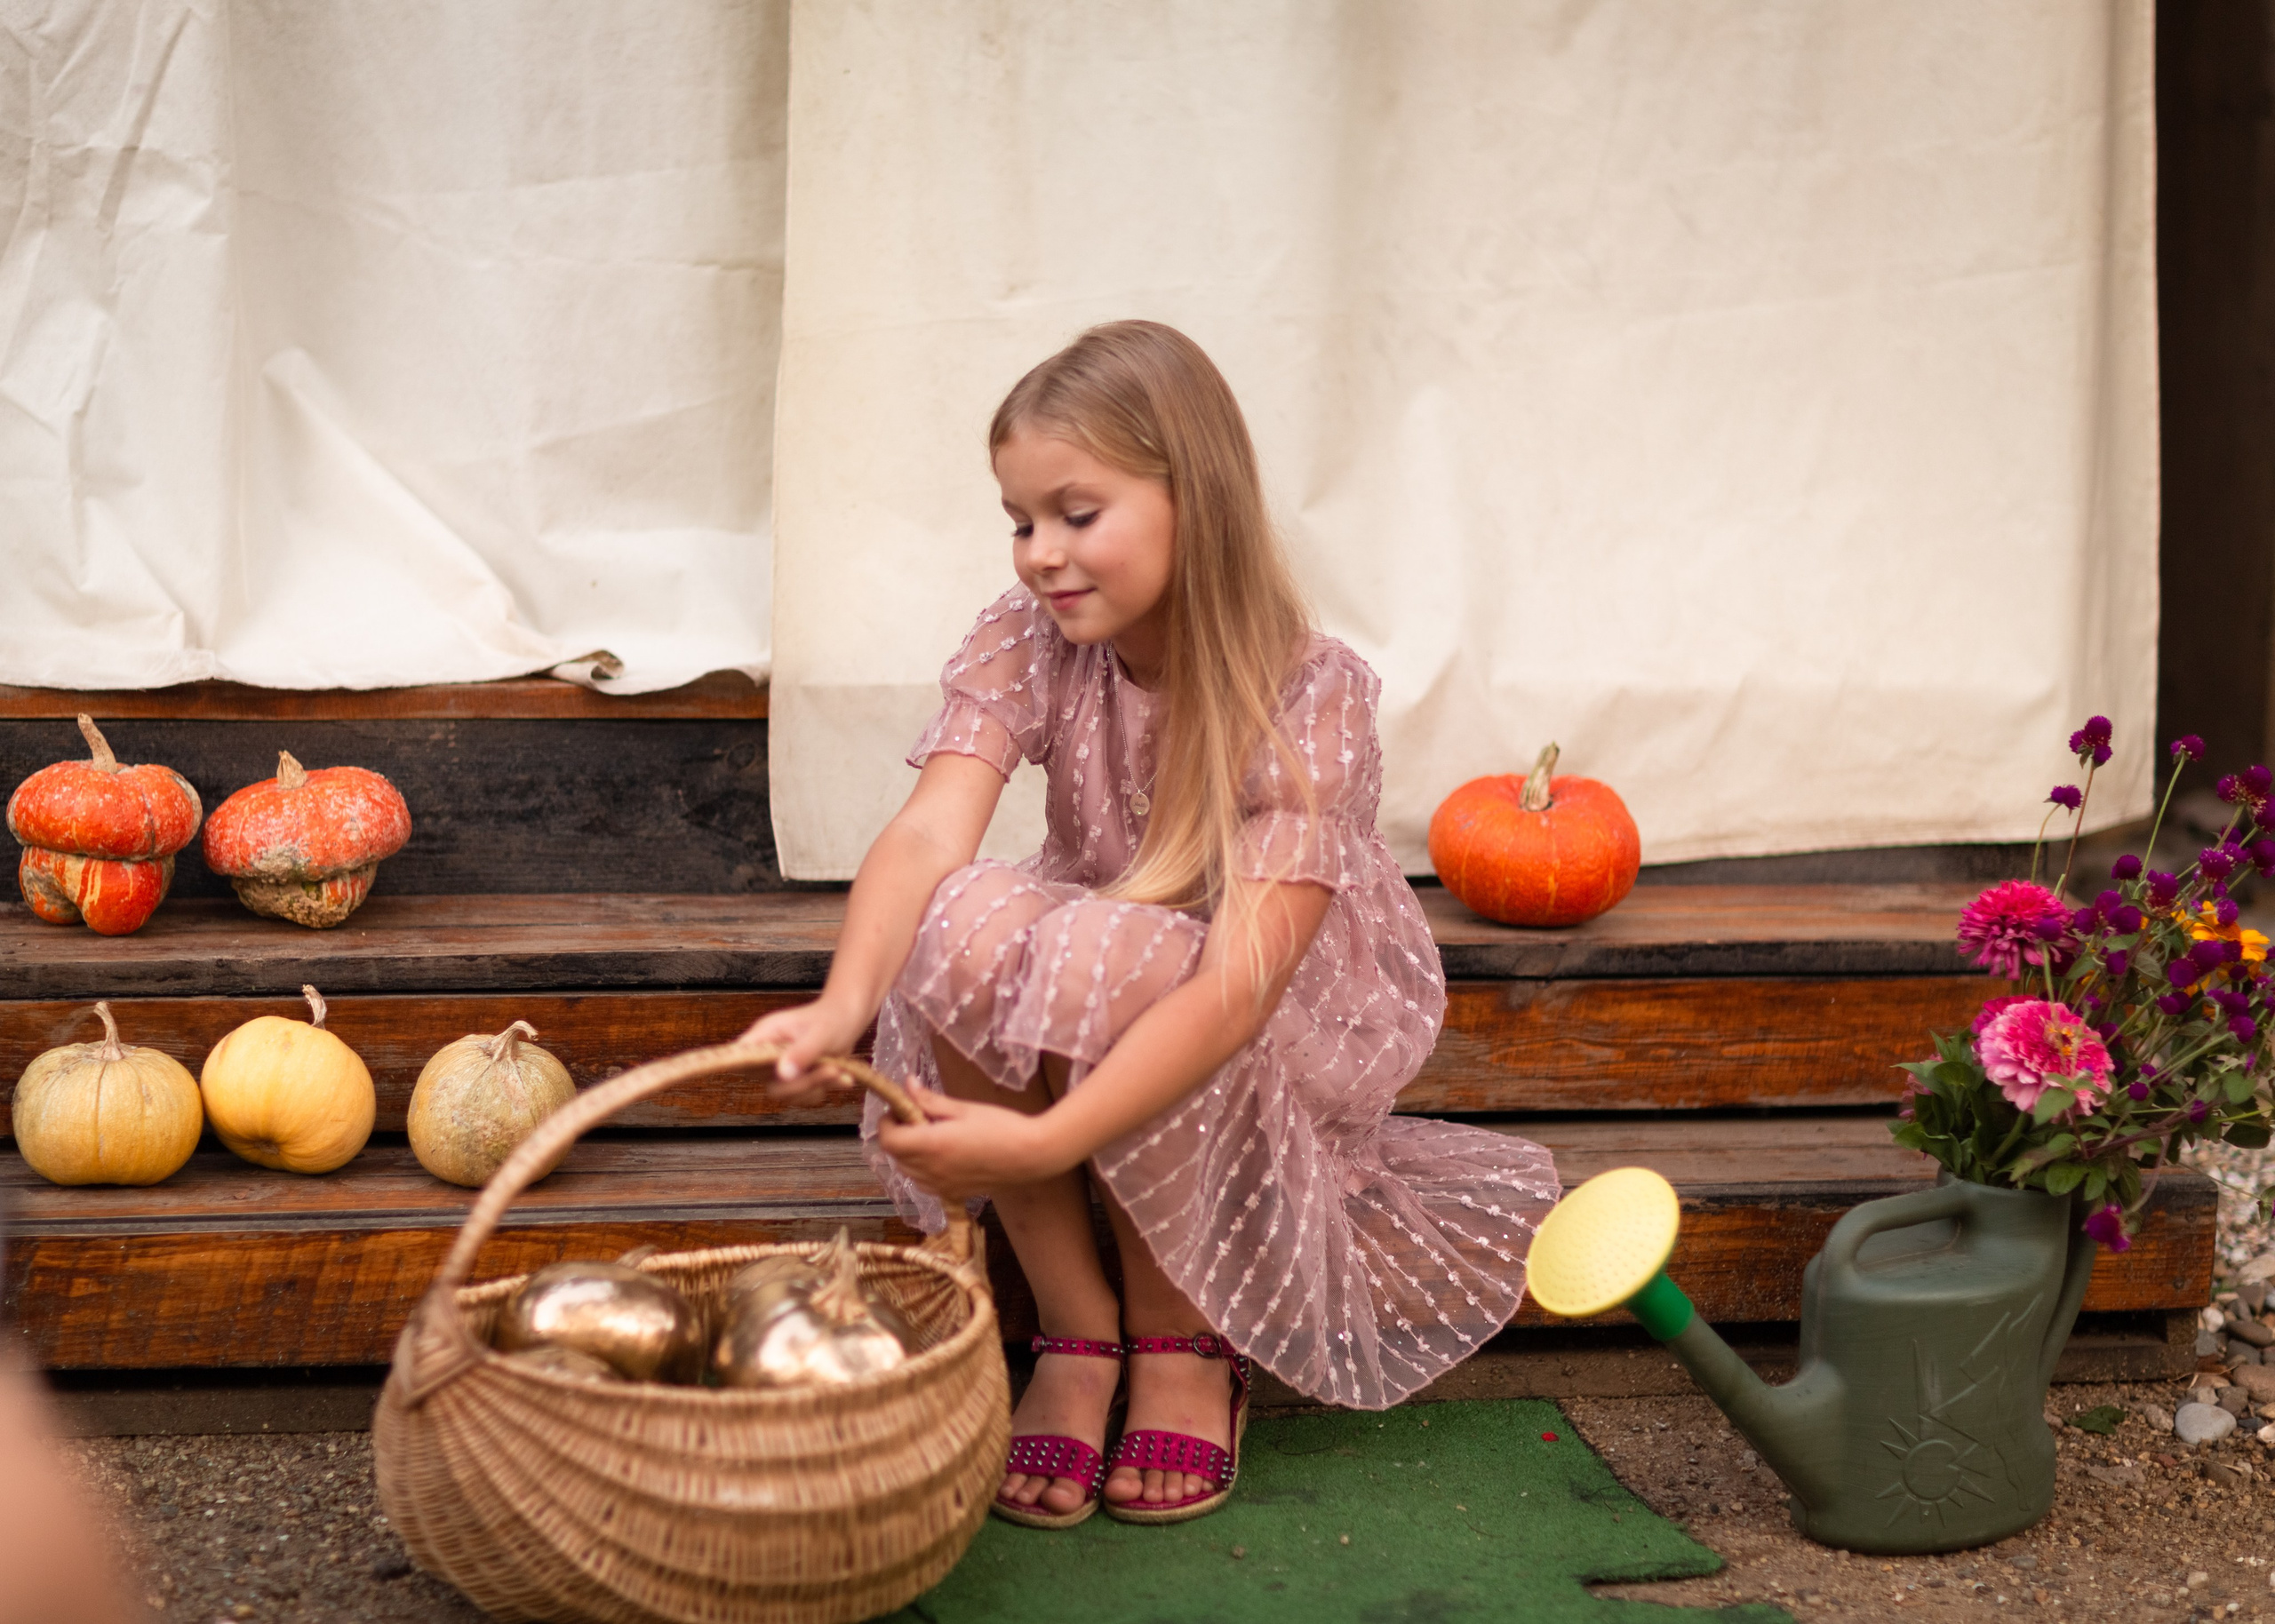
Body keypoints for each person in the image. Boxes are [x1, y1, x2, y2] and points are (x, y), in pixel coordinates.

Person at [750, 321, 1558, 1528]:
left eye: (1077, 513)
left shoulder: (1304, 694)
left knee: (1109, 946)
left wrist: (1046, 1138)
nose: (1040, 554)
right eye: (1021, 520)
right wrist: (842, 1004)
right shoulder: (1033, 639)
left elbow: (1237, 987)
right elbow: (928, 836)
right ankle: (1078, 1327)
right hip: (1104, 961)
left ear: (1196, 498)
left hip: (1255, 1005)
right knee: (969, 912)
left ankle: (1182, 1333)